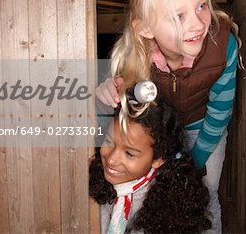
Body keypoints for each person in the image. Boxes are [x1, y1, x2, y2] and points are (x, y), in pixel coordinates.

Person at [95, 0, 240, 232]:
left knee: (204, 195)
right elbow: (120, 110)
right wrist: (106, 95)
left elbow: (220, 112)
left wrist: (192, 165)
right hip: (158, 134)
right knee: (155, 197)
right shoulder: (135, 58)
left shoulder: (223, 45)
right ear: (146, 29)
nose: (198, 24)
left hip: (204, 127)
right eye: (178, 16)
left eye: (201, 6)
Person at [89, 99, 211, 233]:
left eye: (129, 154)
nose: (111, 159)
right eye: (108, 142)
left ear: (158, 159)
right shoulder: (96, 176)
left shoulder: (168, 205)